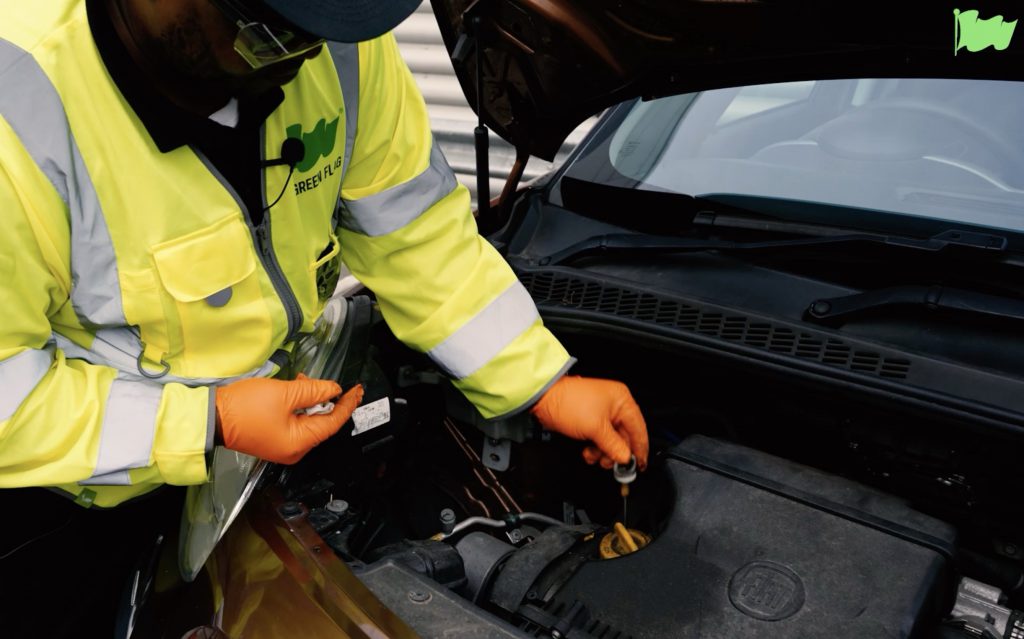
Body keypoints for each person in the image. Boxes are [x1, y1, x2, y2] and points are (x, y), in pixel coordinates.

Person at [0, 0, 648, 628]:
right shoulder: (20, 106)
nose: (309, 56)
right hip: (64, 504)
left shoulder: (334, 36)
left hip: (248, 464)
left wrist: (539, 380)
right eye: (274, 32)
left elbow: (413, 231)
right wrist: (208, 419)